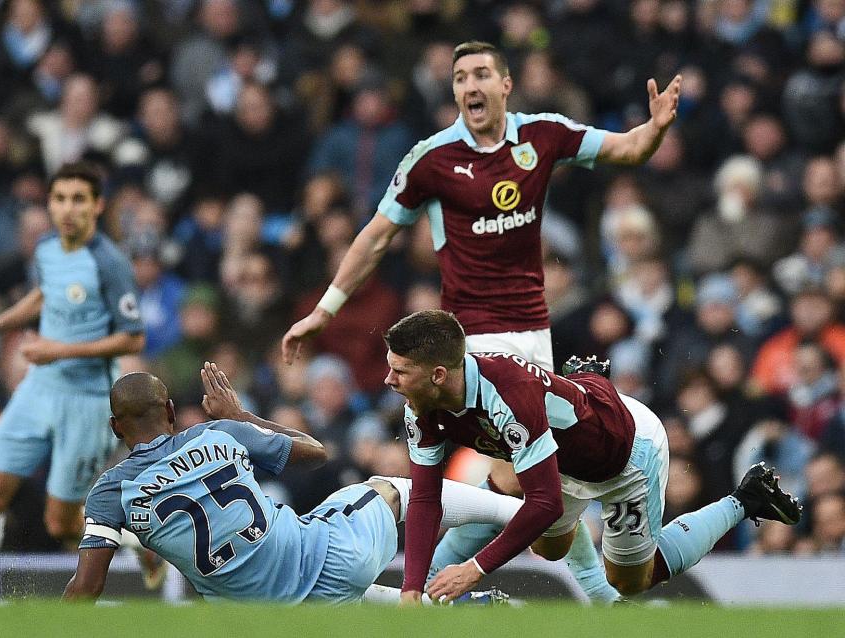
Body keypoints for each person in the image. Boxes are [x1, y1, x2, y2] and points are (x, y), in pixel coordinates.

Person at [281, 39, 683, 602]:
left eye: (481, 75)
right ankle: (450, 590)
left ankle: (451, 586)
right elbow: (376, 236)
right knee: (519, 489)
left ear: (505, 84)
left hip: (533, 333)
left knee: (544, 521)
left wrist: (657, 127)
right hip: (467, 337)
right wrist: (324, 309)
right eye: (460, 77)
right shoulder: (431, 159)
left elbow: (627, 150)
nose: (470, 86)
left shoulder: (542, 135)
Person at [382, 310, 803, 603]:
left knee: (632, 580)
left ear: (438, 375)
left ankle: (747, 499)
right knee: (545, 543)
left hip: (626, 454)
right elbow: (424, 497)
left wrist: (474, 568)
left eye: (399, 371)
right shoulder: (421, 405)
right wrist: (412, 588)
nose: (389, 380)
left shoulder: (505, 397)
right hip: (562, 459)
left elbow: (544, 504)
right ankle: (586, 387)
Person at [62, 363, 523, 604]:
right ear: (168, 413)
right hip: (331, 560)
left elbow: (86, 588)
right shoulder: (217, 432)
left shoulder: (109, 492)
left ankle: (467, 606)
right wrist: (240, 416)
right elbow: (315, 451)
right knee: (390, 488)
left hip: (259, 613)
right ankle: (521, 513)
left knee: (271, 600)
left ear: (115, 427)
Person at [0, 162, 146, 602]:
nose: (67, 209)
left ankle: (141, 542)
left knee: (60, 523)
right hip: (38, 389)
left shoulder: (110, 263)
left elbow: (134, 335)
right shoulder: (47, 250)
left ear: (96, 205)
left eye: (78, 199)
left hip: (87, 399)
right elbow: (45, 295)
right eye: (59, 199)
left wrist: (59, 350)